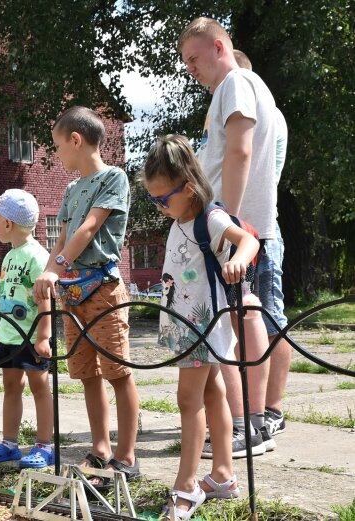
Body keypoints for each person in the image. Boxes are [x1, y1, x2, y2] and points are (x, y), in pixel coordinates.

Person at [179, 17, 277, 455]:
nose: (190, 69)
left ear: (219, 47)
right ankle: (249, 421)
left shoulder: (234, 84)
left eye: (194, 58)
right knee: (240, 319)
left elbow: (239, 151)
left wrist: (228, 224)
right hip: (242, 228)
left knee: (243, 318)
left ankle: (250, 424)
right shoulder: (245, 87)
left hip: (239, 229)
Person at [33, 106, 140, 486]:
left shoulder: (114, 178)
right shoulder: (71, 189)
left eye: (59, 147)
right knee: (87, 374)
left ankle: (126, 456)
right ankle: (101, 448)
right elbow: (62, 237)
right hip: (72, 292)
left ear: (76, 140)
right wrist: (46, 274)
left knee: (117, 371)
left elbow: (90, 228)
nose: (58, 155)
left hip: (104, 290)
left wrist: (55, 267)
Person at [143, 135, 249, 518]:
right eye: (153, 200)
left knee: (187, 400)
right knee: (213, 393)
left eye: (162, 199)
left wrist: (239, 259)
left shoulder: (211, 218)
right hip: (184, 323)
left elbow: (248, 241)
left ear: (187, 187)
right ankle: (223, 474)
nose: (158, 208)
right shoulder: (180, 219)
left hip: (203, 324)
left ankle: (186, 487)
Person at [232, 49, 292, 439]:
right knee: (252, 322)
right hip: (253, 228)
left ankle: (271, 409)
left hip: (259, 231)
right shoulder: (262, 109)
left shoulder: (253, 105)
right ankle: (253, 407)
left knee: (269, 322)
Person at [0, 189, 54, 468]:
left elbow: (46, 299)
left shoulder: (37, 256)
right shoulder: (11, 256)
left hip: (33, 337)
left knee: (40, 387)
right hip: (10, 335)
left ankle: (45, 446)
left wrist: (44, 336)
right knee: (11, 386)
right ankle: (9, 443)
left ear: (8, 224)